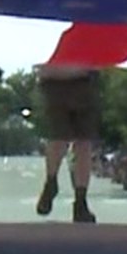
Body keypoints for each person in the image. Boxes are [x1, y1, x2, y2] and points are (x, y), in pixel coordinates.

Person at [34, 64, 102, 224]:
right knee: (71, 141)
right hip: (68, 77)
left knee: (71, 140)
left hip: (66, 78)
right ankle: (70, 194)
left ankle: (65, 190)